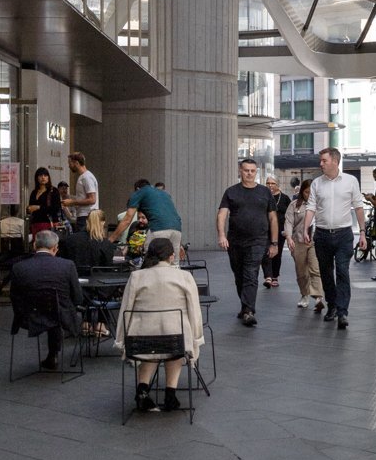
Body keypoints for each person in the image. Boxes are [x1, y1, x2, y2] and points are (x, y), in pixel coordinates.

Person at [115, 236, 204, 413]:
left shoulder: (136, 276)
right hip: (176, 340)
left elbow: (126, 310)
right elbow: (194, 310)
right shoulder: (184, 277)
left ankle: (142, 390)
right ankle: (170, 393)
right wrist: (196, 338)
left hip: (141, 341)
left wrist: (121, 340)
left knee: (153, 343)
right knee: (173, 340)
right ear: (171, 256)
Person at [9, 228, 82, 371]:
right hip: (62, 316)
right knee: (55, 311)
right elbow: (77, 298)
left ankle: (52, 356)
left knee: (50, 311)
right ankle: (53, 354)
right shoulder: (67, 266)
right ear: (55, 248)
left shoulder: (19, 267)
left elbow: (15, 296)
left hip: (29, 316)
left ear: (34, 246)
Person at [216, 159, 278, 326]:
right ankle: (245, 306)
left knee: (251, 273)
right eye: (246, 170)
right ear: (240, 171)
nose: (249, 173)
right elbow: (222, 214)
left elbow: (273, 218)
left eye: (252, 171)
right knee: (239, 276)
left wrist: (274, 243)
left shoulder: (265, 192)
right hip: (235, 241)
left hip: (258, 241)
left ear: (256, 172)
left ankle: (249, 311)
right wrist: (221, 235)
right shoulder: (231, 192)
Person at [310, 146, 365, 331]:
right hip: (322, 234)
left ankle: (342, 312)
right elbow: (311, 207)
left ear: (335, 161)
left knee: (342, 271)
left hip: (343, 235)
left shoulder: (350, 181)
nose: (321, 164)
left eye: (324, 160)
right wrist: (305, 229)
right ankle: (332, 305)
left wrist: (363, 232)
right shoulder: (316, 183)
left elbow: (358, 206)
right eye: (321, 161)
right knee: (326, 273)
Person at [113, 178, 183, 259]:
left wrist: (110, 240)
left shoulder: (141, 192)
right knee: (174, 263)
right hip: (177, 230)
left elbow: (127, 220)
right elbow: (176, 217)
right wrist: (180, 244)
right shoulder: (165, 194)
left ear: (138, 189)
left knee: (150, 259)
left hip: (158, 228)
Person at [285, 179, 322, 309]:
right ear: (302, 192)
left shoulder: (320, 205)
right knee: (302, 271)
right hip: (299, 241)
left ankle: (318, 297)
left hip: (315, 242)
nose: (309, 195)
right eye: (306, 192)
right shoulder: (295, 205)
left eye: (312, 192)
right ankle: (304, 295)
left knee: (315, 269)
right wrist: (289, 238)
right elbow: (289, 222)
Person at [264, 176, 292, 290]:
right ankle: (268, 276)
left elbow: (290, 215)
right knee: (265, 253)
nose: (270, 185)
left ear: (278, 184)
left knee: (277, 253)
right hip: (265, 230)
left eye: (273, 183)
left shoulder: (284, 198)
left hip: (280, 230)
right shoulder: (263, 196)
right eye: (268, 183)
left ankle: (274, 276)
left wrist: (288, 230)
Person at [63, 150, 98, 229]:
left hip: (86, 216)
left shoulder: (86, 177)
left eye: (70, 163)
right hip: (84, 215)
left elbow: (92, 199)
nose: (69, 166)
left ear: (76, 163)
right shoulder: (84, 177)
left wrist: (72, 202)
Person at [27, 166, 64, 231]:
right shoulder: (34, 192)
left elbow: (56, 208)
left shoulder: (53, 191)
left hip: (49, 224)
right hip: (35, 224)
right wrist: (29, 209)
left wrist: (39, 207)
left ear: (48, 177)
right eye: (40, 175)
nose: (43, 177)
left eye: (45, 175)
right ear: (37, 178)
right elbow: (31, 206)